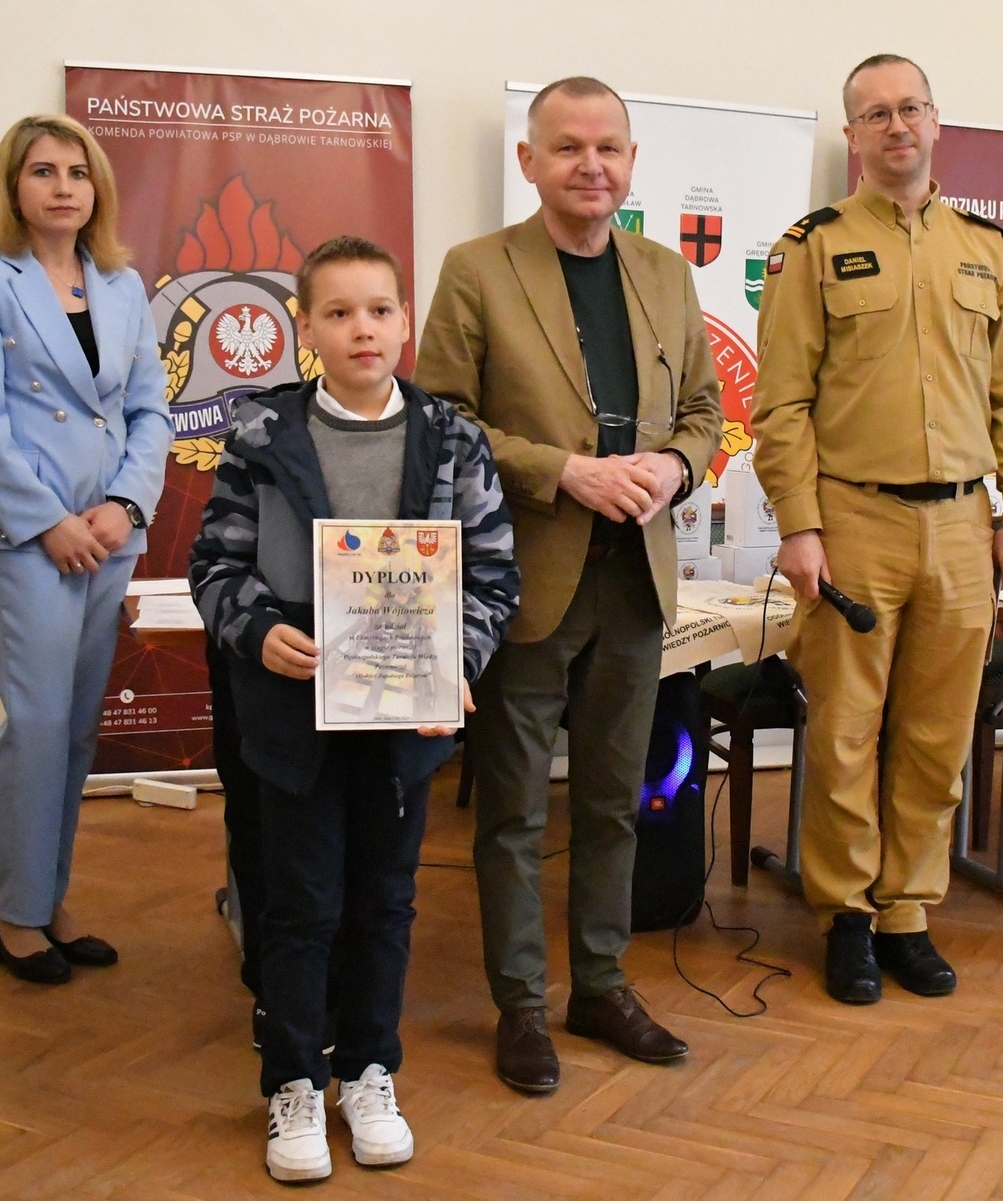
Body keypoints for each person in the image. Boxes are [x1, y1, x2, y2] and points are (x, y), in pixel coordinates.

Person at [414, 76, 722, 1094]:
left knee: (615, 802)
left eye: (609, 147)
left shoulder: (665, 272)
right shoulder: (477, 270)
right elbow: (442, 419)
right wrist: (564, 472)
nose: (591, 165)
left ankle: (599, 983)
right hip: (526, 580)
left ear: (631, 161)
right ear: (530, 161)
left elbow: (706, 411)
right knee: (511, 812)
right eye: (568, 147)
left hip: (635, 580)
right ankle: (519, 1005)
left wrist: (674, 466)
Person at [189, 236, 519, 1181]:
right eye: (337, 313)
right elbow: (216, 564)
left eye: (378, 310)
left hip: (404, 713)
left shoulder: (451, 437)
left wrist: (457, 660)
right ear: (306, 329)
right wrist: (258, 631)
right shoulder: (262, 434)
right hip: (293, 708)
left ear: (406, 321)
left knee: (385, 899)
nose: (361, 329)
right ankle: (294, 1079)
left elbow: (493, 573)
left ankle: (370, 1068)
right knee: (298, 902)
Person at [753, 55, 1003, 1005]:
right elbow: (782, 404)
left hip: (964, 526)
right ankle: (846, 912)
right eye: (876, 114)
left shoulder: (989, 250)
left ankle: (907, 911)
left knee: (936, 733)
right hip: (853, 521)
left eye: (910, 108)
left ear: (936, 121)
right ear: (852, 135)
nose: (897, 126)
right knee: (846, 731)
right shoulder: (811, 248)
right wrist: (799, 525)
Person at [0, 114, 172, 985]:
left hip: (107, 535)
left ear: (96, 187)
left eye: (77, 170)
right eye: (42, 171)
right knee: (35, 726)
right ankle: (15, 914)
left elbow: (150, 410)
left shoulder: (121, 283)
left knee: (75, 729)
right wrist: (47, 521)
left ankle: (49, 898)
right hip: (30, 537)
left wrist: (126, 504)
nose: (63, 186)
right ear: (14, 186)